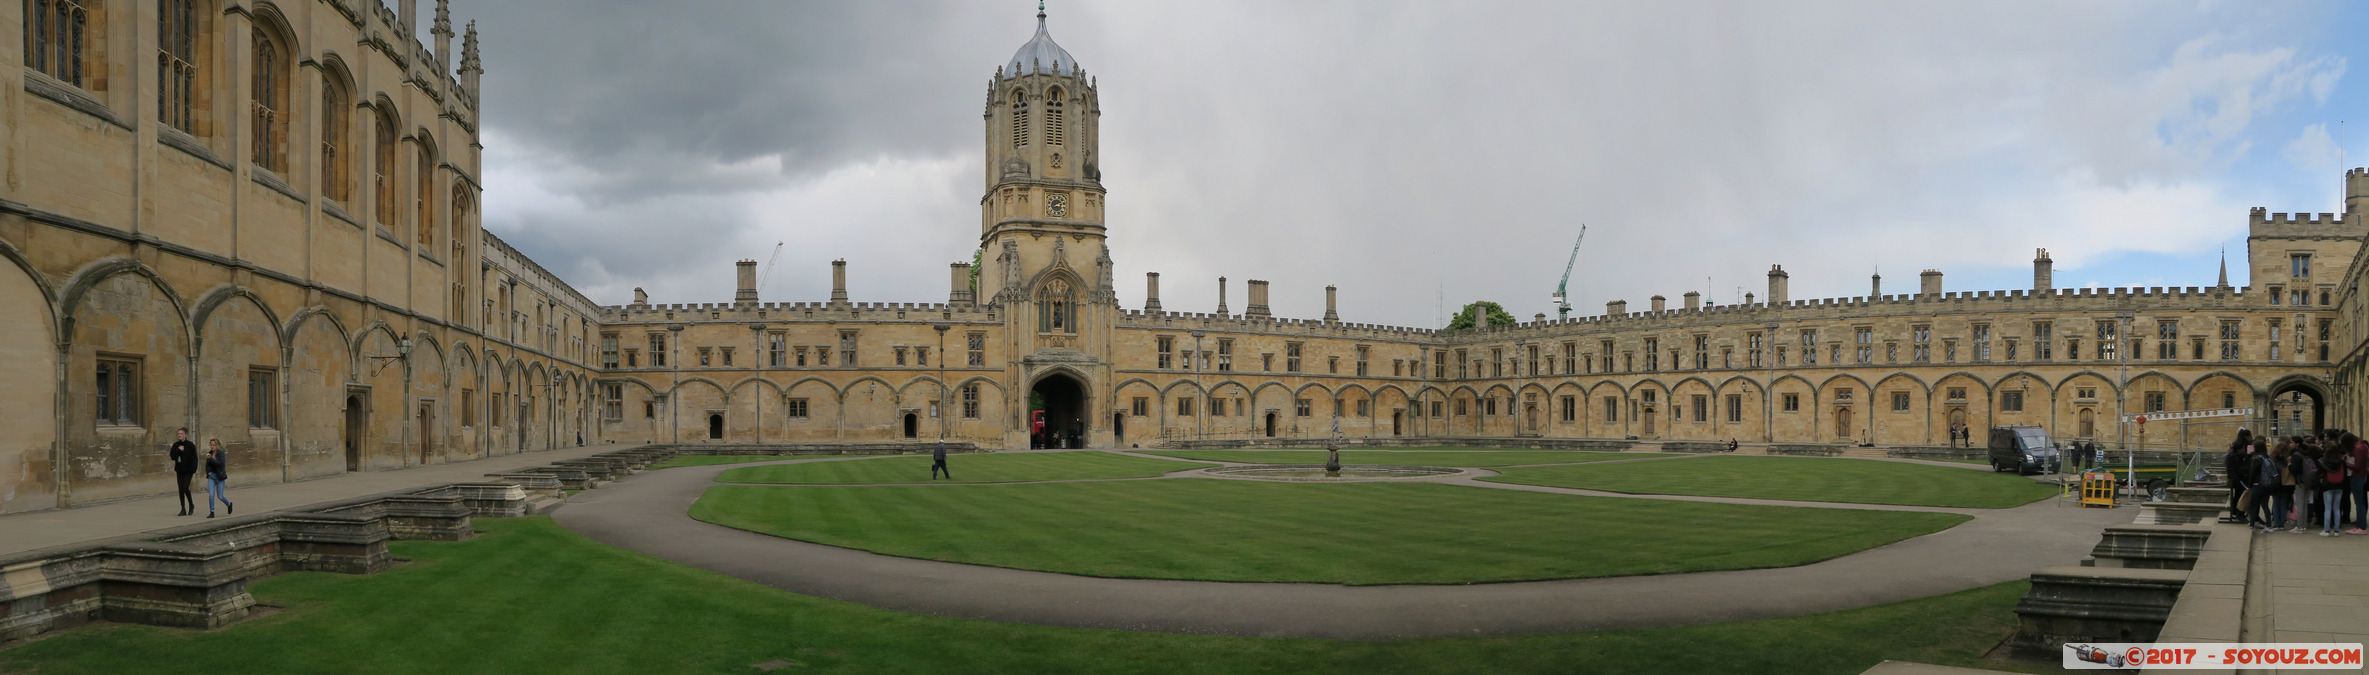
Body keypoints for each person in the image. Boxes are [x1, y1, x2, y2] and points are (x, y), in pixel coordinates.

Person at [2226, 430, 2256, 523]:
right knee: (2241, 495)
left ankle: (2237, 512)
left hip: (2238, 478)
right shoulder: (2236, 457)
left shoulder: (2236, 454)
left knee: (2239, 495)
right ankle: (2238, 512)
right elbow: (2238, 469)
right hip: (2238, 479)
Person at [169, 428, 199, 516]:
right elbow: (172, 456)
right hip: (180, 469)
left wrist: (194, 469)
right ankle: (183, 508)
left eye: (181, 434)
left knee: (185, 487)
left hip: (188, 470)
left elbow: (194, 458)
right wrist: (178, 450)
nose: (180, 435)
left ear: (185, 435)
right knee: (181, 489)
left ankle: (191, 504)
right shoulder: (176, 445)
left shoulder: (190, 445)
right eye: (178, 434)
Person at [2320, 443, 2347, 536]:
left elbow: (2319, 473)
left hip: (2327, 486)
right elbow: (2345, 473)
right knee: (2336, 508)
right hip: (2339, 486)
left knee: (2327, 508)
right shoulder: (2341, 461)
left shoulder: (2324, 461)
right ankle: (2336, 530)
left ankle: (2326, 530)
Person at [203, 439, 233, 518]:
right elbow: (207, 466)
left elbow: (220, 463)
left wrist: (211, 459)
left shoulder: (221, 454)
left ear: (217, 446)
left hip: (220, 477)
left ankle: (229, 504)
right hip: (212, 477)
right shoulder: (209, 454)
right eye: (211, 445)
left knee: (220, 496)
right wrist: (208, 473)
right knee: (211, 495)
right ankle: (212, 512)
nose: (212, 446)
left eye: (214, 445)